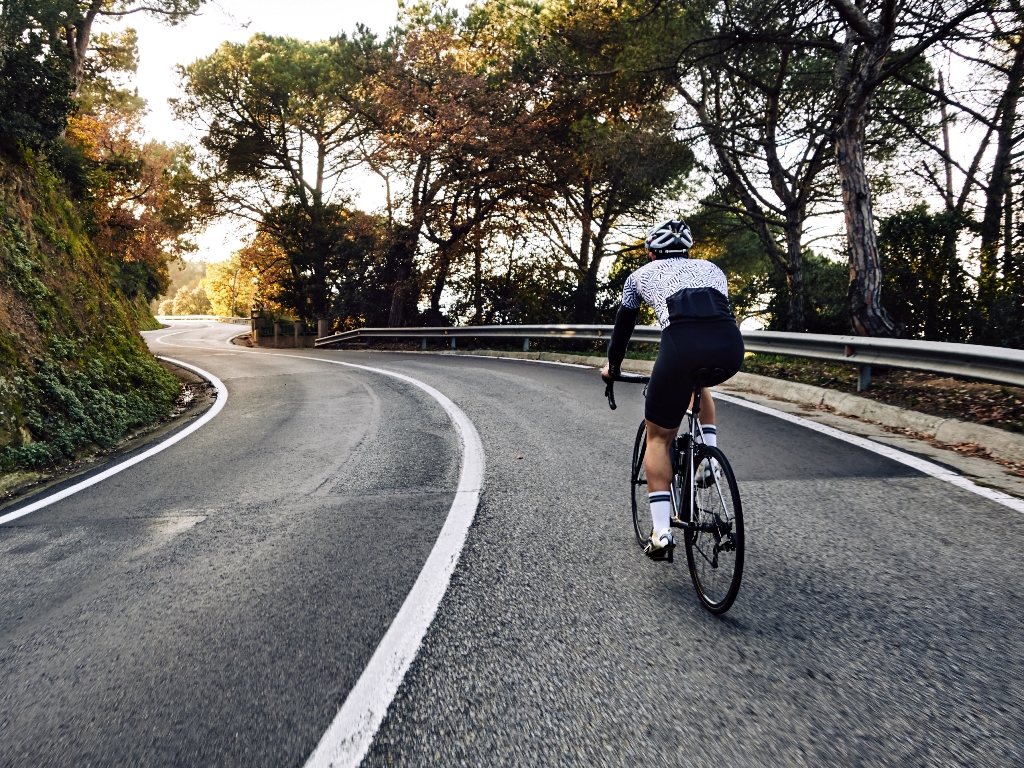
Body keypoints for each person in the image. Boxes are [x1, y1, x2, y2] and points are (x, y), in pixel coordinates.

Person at [601, 219, 744, 561]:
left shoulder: (638, 277)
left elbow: (622, 329)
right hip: (730, 349)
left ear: (651, 252)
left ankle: (662, 532)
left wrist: (613, 368)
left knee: (658, 438)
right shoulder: (713, 269)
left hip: (681, 348)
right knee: (699, 382)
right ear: (688, 250)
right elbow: (713, 317)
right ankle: (709, 460)